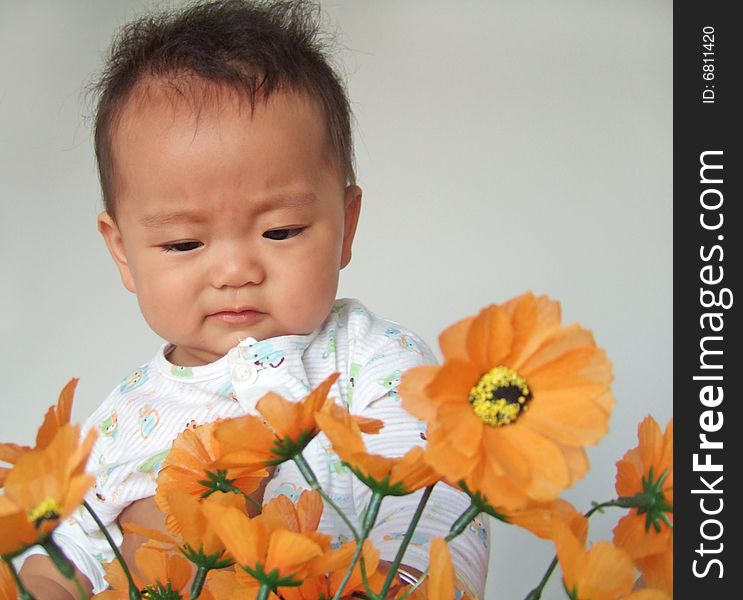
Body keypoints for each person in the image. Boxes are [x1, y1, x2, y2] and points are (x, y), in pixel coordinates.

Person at [18, 1, 489, 597]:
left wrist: (405, 580)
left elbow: (435, 502)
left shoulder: (374, 362)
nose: (236, 270)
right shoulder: (122, 416)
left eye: (281, 232)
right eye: (185, 241)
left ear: (346, 223)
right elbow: (65, 552)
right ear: (122, 252)